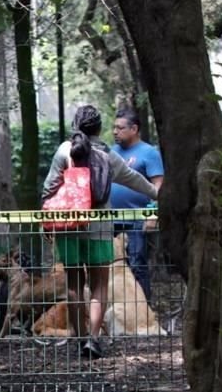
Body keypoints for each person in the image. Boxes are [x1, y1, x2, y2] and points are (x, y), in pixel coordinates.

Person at [42, 105, 158, 359]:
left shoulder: (65, 151)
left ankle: (79, 337)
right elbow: (134, 180)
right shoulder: (108, 155)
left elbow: (49, 187)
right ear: (99, 128)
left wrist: (46, 219)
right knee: (99, 285)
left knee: (73, 284)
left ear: (76, 126)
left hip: (68, 224)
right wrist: (160, 195)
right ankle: (93, 340)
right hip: (100, 226)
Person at [110, 107, 164, 300]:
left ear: (134, 129)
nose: (115, 132)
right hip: (109, 219)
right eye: (113, 128)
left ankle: (143, 308)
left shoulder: (149, 153)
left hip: (136, 219)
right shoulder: (111, 152)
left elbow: (159, 185)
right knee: (109, 265)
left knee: (137, 264)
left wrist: (152, 213)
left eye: (120, 128)